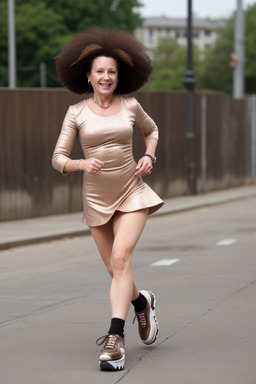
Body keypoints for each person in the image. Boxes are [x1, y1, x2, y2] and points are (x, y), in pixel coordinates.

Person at [52, 27, 164, 371]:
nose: (106, 77)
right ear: (87, 76)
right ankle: (141, 303)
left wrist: (149, 156)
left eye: (112, 72)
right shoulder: (76, 112)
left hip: (132, 191)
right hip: (96, 201)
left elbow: (152, 131)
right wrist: (79, 162)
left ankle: (115, 340)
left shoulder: (130, 105)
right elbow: (57, 158)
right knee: (118, 273)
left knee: (120, 261)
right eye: (99, 71)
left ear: (119, 77)